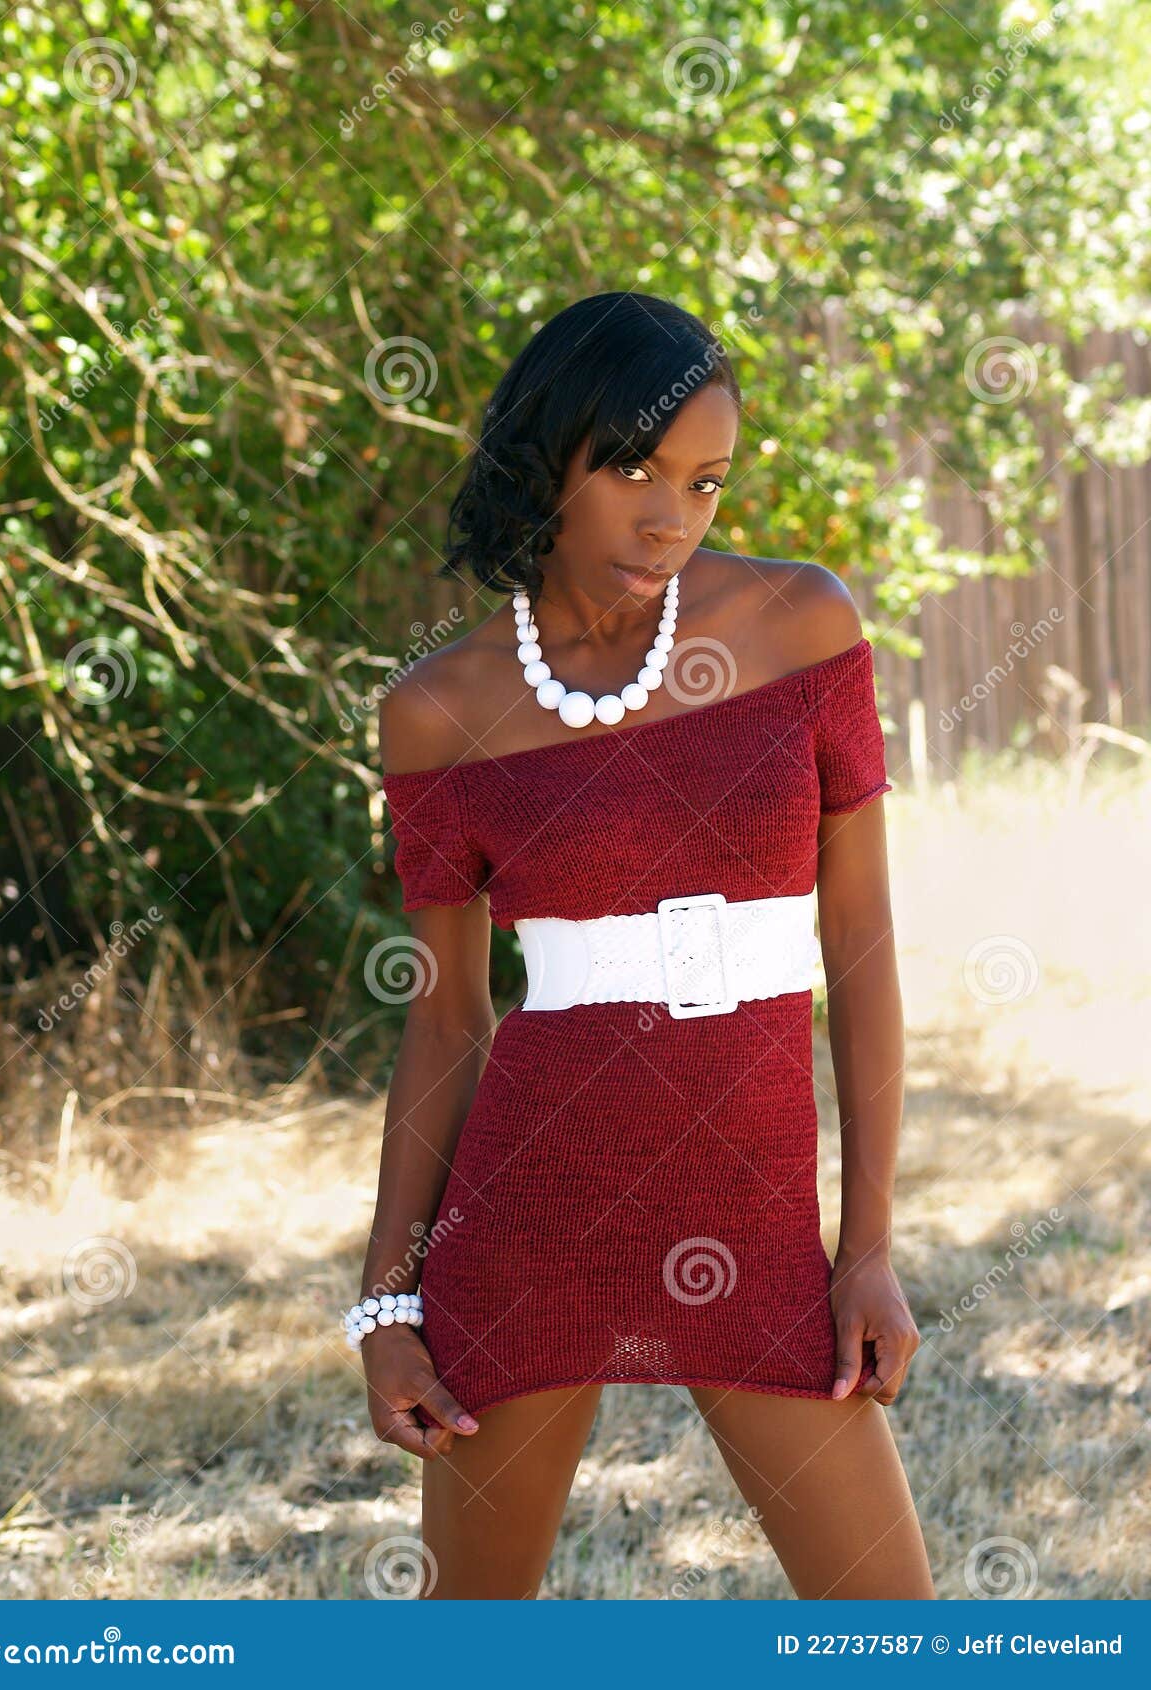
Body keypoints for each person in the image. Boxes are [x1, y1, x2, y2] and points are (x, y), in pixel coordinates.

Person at [352, 292, 935, 1600]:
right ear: (550, 454)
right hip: (533, 1217)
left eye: (705, 482)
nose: (668, 514)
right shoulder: (441, 711)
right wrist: (389, 1302)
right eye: (629, 469)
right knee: (472, 1645)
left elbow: (862, 943)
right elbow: (449, 1022)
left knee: (897, 1635)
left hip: (761, 1215)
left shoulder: (801, 627)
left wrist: (869, 1243)